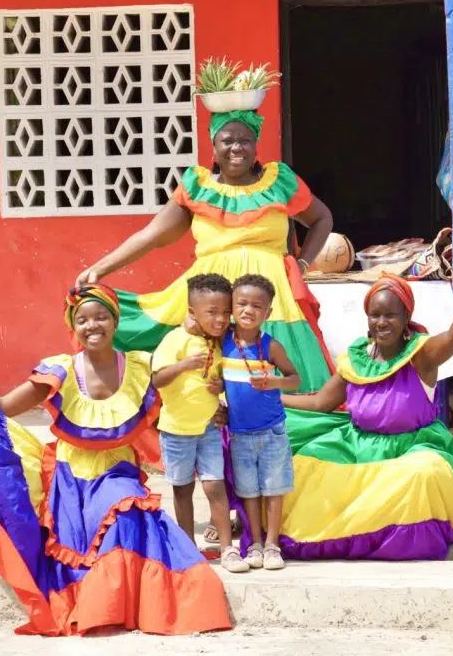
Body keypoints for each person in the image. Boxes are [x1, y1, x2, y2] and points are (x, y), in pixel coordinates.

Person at [0, 284, 231, 636]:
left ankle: (115, 607)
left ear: (115, 322)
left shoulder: (139, 367)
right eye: (83, 319)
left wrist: (215, 412)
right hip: (70, 478)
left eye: (101, 317)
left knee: (125, 514)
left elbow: (177, 404)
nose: (93, 326)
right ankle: (98, 605)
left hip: (118, 472)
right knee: (80, 536)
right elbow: (5, 406)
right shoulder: (61, 371)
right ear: (73, 326)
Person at [75, 106, 336, 544]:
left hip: (271, 307)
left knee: (271, 401)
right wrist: (100, 269)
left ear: (257, 145)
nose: (236, 147)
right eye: (226, 140)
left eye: (244, 140)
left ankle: (284, 513)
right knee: (214, 404)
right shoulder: (196, 186)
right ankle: (228, 513)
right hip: (207, 306)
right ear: (213, 147)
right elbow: (152, 235)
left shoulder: (281, 181)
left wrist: (303, 264)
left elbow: (321, 218)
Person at [280, 273, 453, 561]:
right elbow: (322, 402)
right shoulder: (357, 359)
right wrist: (271, 398)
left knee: (424, 473)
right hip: (356, 445)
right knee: (305, 464)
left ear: (406, 316)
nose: (381, 322)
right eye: (375, 315)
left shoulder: (421, 355)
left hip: (411, 446)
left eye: (390, 316)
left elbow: (452, 339)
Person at [151, 273, 247, 573]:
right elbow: (156, 380)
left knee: (214, 486)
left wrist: (220, 393)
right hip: (176, 430)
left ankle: (227, 548)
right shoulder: (175, 340)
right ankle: (187, 547)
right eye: (212, 313)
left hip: (208, 428)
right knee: (181, 489)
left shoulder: (218, 344)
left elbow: (219, 380)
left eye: (224, 312)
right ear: (192, 312)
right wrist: (182, 365)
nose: (220, 319)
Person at [221, 274, 300, 570]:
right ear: (231, 306)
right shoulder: (224, 342)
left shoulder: (271, 346)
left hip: (272, 432)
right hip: (240, 433)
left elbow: (295, 378)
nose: (248, 310)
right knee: (249, 493)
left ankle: (272, 545)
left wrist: (274, 381)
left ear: (268, 312)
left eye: (257, 306)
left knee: (273, 490)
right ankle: (254, 543)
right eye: (241, 303)